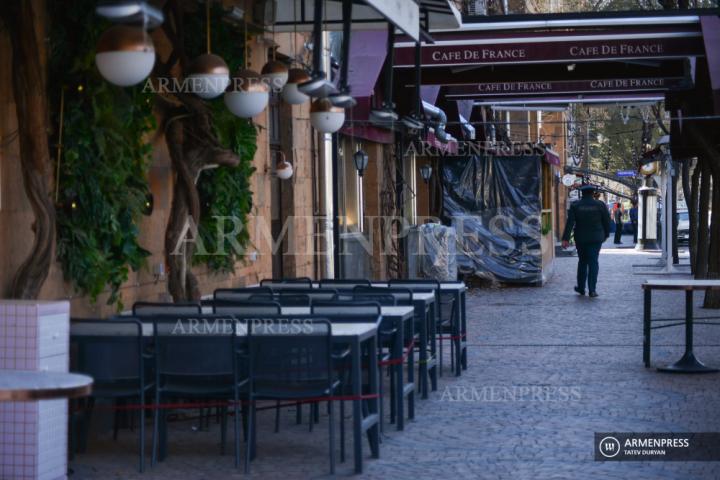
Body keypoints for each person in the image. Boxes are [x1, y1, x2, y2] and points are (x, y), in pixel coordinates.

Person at [561, 184, 611, 297]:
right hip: (596, 238)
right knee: (593, 262)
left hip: (581, 238)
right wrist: (606, 234)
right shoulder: (600, 205)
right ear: (592, 193)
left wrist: (565, 238)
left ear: (582, 193)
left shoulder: (576, 205)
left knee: (582, 262)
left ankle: (581, 288)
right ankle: (592, 290)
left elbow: (570, 223)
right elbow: (607, 221)